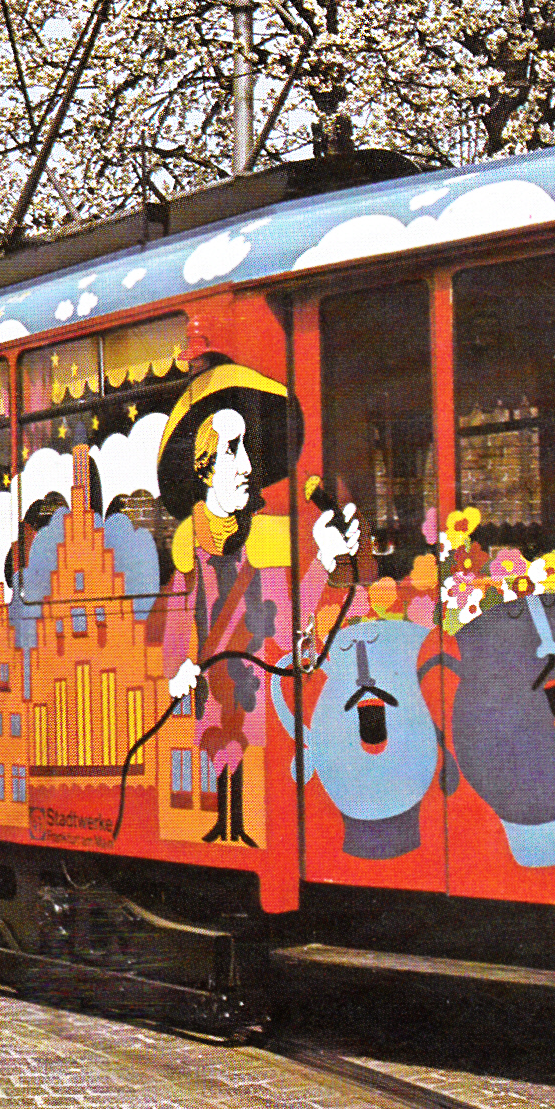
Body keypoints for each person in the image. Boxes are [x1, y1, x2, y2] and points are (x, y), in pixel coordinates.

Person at [157, 363, 358, 847]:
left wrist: (324, 559)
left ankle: (237, 826)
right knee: (218, 754)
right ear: (203, 464)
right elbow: (173, 621)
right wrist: (175, 667)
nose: (247, 465)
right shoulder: (187, 549)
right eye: (233, 449)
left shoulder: (268, 540)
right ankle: (225, 824)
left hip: (253, 686)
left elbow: (289, 624)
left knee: (246, 756)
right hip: (212, 686)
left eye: (248, 447)